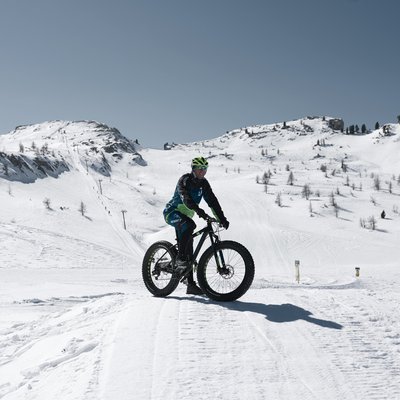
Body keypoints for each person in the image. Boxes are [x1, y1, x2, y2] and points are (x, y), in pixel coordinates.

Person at [163, 156, 230, 295]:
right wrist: (200, 212)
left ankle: (191, 285)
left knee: (190, 251)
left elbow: (212, 201)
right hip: (172, 213)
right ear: (193, 169)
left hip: (185, 217)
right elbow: (186, 199)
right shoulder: (184, 180)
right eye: (200, 169)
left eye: (205, 169)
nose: (202, 172)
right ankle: (180, 259)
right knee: (189, 225)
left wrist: (222, 218)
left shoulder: (204, 184)